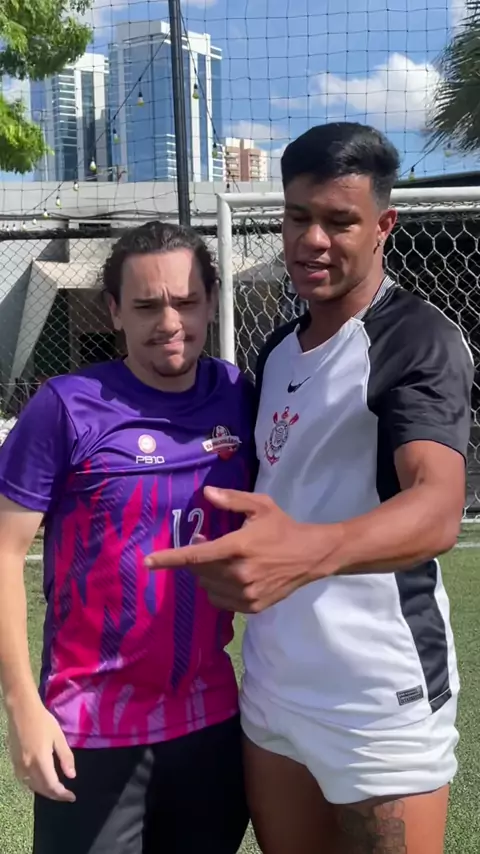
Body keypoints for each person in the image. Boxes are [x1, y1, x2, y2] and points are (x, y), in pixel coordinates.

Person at [146, 123, 474, 854]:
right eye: (298, 217)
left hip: (377, 698)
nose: (312, 240)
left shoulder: (415, 339)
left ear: (383, 225)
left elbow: (436, 508)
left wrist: (308, 553)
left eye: (339, 221)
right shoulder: (278, 348)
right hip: (274, 685)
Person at [0, 221, 254, 854]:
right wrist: (22, 706)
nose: (169, 322)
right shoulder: (65, 407)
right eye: (145, 306)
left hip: (212, 722)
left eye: (186, 301)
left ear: (211, 301)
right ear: (113, 311)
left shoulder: (240, 398)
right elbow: (3, 553)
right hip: (90, 729)